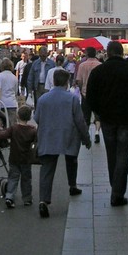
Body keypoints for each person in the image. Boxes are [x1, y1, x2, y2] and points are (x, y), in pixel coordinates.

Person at [87, 41, 128, 207]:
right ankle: (118, 193)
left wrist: (99, 113)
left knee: (112, 156)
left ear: (108, 53)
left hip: (108, 120)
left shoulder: (98, 71)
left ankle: (115, 189)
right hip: (127, 120)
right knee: (123, 157)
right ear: (121, 53)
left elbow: (90, 98)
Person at [33, 69, 91, 218]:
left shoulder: (43, 99)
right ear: (67, 82)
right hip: (68, 136)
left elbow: (37, 118)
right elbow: (80, 121)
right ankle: (72, 185)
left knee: (47, 169)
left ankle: (43, 200)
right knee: (72, 160)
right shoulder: (72, 99)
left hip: (48, 137)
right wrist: (86, 138)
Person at [0, 105, 37, 208]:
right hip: (26, 160)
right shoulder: (32, 131)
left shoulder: (14, 129)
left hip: (14, 158)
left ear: (17, 116)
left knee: (13, 178)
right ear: (30, 117)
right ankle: (27, 198)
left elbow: (3, 135)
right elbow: (36, 141)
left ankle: (9, 197)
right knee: (26, 179)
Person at [75, 47, 102, 144]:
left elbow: (79, 80)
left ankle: (86, 136)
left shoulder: (82, 65)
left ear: (86, 54)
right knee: (97, 116)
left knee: (85, 116)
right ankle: (97, 132)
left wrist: (82, 90)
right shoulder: (99, 65)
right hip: (97, 94)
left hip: (85, 93)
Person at [0, 58, 19, 124]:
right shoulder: (14, 78)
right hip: (12, 103)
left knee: (2, 124)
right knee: (12, 124)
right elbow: (16, 91)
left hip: (2, 103)